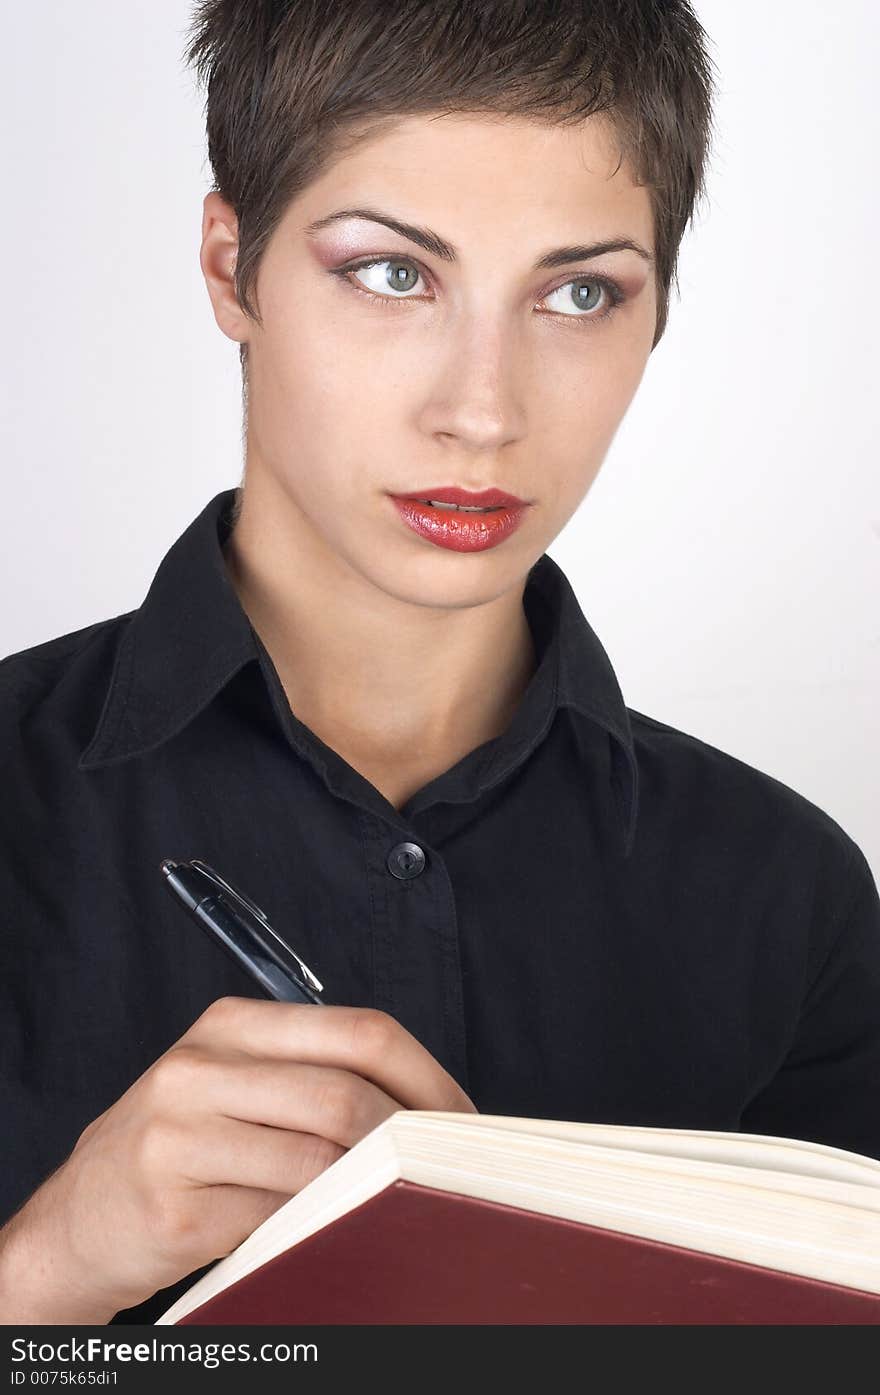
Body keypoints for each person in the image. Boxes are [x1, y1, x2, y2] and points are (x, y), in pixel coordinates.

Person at [1, 0, 878, 1327]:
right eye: (393, 272)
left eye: (580, 292)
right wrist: (43, 1273)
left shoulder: (787, 892)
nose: (483, 408)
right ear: (232, 265)